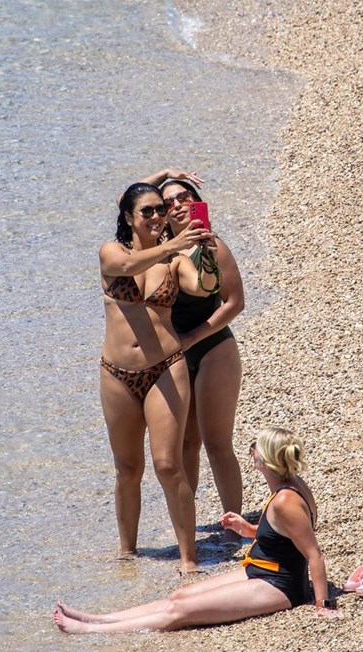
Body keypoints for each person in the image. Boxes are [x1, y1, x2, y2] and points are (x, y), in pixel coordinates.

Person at [54, 427, 338, 633]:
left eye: (255, 447)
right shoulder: (290, 487)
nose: (251, 451)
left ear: (264, 461)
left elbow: (313, 553)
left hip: (279, 586)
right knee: (179, 597)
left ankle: (90, 630)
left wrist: (322, 605)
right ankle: (99, 618)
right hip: (260, 569)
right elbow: (285, 537)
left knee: (181, 612)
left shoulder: (286, 500)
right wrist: (248, 529)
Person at [99, 177, 215, 572]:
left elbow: (203, 288)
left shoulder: (176, 260)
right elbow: (128, 266)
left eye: (159, 210)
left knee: (168, 464)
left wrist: (205, 255)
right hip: (117, 374)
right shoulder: (111, 252)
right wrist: (171, 242)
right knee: (128, 469)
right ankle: (127, 555)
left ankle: (188, 558)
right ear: (129, 218)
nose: (154, 216)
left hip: (166, 367)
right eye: (145, 211)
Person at [138, 172, 247, 547]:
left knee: (218, 443)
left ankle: (234, 527)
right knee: (186, 444)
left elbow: (235, 303)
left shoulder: (212, 245)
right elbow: (129, 203)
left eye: (184, 197)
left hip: (214, 346)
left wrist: (191, 337)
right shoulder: (161, 251)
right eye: (167, 203)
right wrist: (164, 173)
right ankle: (190, 527)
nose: (177, 205)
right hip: (176, 356)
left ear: (197, 201)